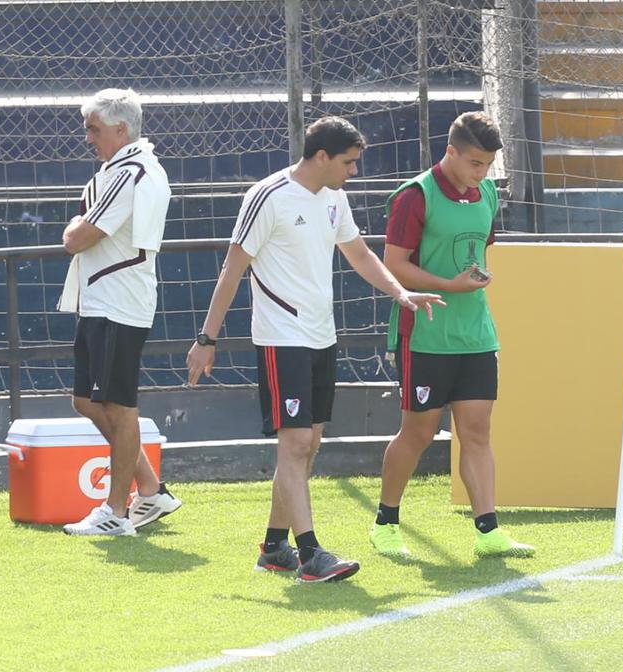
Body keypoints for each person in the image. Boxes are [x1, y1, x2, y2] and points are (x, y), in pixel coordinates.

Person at [186, 117, 444, 582]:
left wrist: (399, 294)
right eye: (348, 162)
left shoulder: (335, 199)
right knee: (297, 443)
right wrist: (207, 339)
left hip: (321, 337)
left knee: (310, 444)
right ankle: (310, 555)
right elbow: (232, 268)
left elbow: (360, 254)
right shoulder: (267, 196)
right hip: (281, 338)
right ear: (321, 156)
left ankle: (274, 546)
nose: (354, 172)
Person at [369, 111, 535, 559]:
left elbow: (477, 248)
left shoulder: (484, 194)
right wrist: (447, 285)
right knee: (418, 432)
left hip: (475, 333)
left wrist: (475, 277)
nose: (481, 174)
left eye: (488, 166)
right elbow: (394, 264)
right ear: (451, 152)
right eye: (475, 163)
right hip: (424, 333)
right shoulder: (413, 197)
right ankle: (385, 523)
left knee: (477, 430)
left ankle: (488, 531)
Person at [59, 88, 181, 536]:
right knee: (87, 400)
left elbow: (80, 236)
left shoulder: (130, 171)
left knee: (118, 403)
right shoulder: (122, 169)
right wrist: (78, 229)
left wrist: (74, 229)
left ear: (120, 129)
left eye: (93, 129)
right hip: (101, 299)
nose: (88, 138)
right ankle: (150, 489)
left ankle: (115, 511)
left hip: (118, 301)